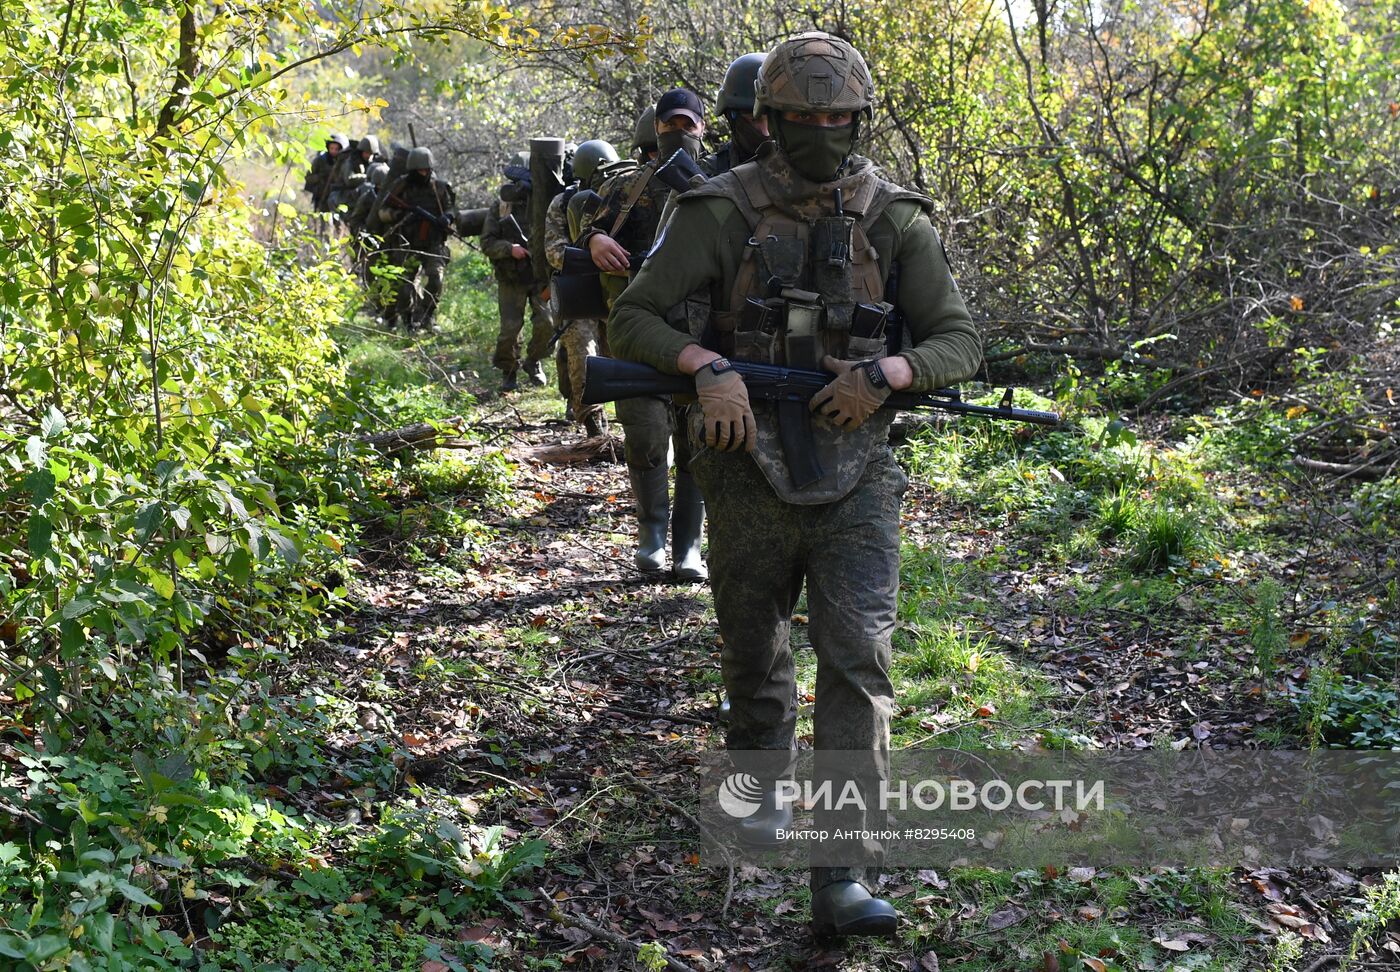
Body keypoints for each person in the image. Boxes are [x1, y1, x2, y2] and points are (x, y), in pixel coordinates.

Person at [608, 33, 984, 937]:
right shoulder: (717, 210)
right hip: (741, 468)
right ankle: (754, 805)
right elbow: (631, 318)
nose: (823, 132)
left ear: (860, 120)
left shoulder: (893, 217)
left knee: (857, 660)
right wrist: (706, 366)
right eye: (804, 118)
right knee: (756, 656)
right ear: (767, 121)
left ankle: (841, 876)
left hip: (860, 473)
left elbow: (959, 340)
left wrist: (888, 377)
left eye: (839, 117)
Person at [578, 92, 708, 581]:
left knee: (699, 441)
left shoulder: (716, 181)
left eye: (687, 123)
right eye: (669, 123)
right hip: (636, 334)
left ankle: (688, 545)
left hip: (702, 334)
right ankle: (652, 534)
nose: (679, 131)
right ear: (654, 129)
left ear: (701, 127)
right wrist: (595, 240)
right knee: (647, 438)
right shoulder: (628, 187)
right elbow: (584, 227)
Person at [544, 138, 620, 437]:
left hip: (613, 289)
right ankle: (593, 424)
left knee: (617, 354)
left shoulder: (620, 195)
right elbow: (554, 249)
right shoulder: (562, 203)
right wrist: (591, 258)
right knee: (583, 356)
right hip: (578, 292)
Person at [482, 157, 552, 392]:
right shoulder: (501, 206)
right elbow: (487, 242)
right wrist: (509, 249)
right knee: (510, 330)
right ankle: (508, 370)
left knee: (548, 323)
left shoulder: (545, 204)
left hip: (539, 275)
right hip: (511, 278)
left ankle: (533, 361)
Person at [377, 146, 457, 331]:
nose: (424, 173)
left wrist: (448, 217)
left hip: (433, 242)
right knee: (405, 287)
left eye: (426, 170)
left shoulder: (440, 187)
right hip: (407, 242)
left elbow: (452, 208)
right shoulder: (401, 186)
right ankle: (408, 320)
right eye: (420, 170)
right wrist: (399, 216)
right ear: (412, 170)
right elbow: (383, 212)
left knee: (436, 279)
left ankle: (426, 315)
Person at [709, 53, 770, 173]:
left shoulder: (803, 170)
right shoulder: (708, 172)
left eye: (772, 120)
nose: (765, 132)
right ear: (731, 117)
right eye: (754, 119)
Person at [303, 133, 349, 214]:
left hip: (338, 197)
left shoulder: (345, 162)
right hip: (321, 197)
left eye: (336, 149)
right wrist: (321, 177)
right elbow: (308, 177)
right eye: (331, 148)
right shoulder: (320, 160)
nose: (334, 151)